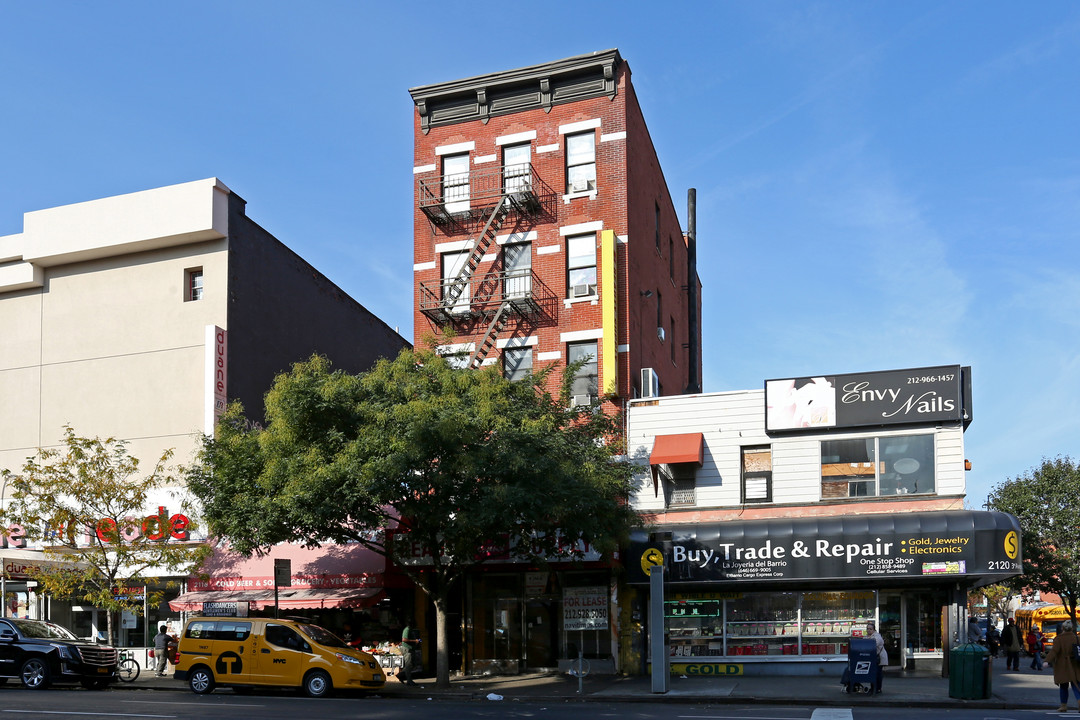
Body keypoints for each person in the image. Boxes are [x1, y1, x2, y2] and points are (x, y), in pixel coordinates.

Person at [1044, 619, 1080, 712]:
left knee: (1063, 686)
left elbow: (1054, 651)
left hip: (1062, 665)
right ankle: (1079, 701)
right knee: (1076, 684)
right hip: (1074, 665)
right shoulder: (1076, 638)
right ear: (1072, 628)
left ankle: (1063, 705)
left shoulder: (1059, 639)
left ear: (1062, 628)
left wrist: (1047, 661)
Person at [865, 621, 887, 694]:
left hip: (879, 658)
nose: (869, 630)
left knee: (877, 673)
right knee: (873, 673)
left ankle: (878, 688)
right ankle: (873, 688)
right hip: (872, 658)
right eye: (867, 629)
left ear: (874, 630)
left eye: (870, 629)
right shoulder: (867, 636)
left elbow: (872, 645)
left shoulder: (877, 637)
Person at [398, 621, 419, 687]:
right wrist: (414, 641)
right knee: (408, 665)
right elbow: (404, 639)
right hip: (407, 649)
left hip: (411, 648)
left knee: (413, 664)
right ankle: (408, 680)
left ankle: (401, 675)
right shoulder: (407, 629)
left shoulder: (411, 630)